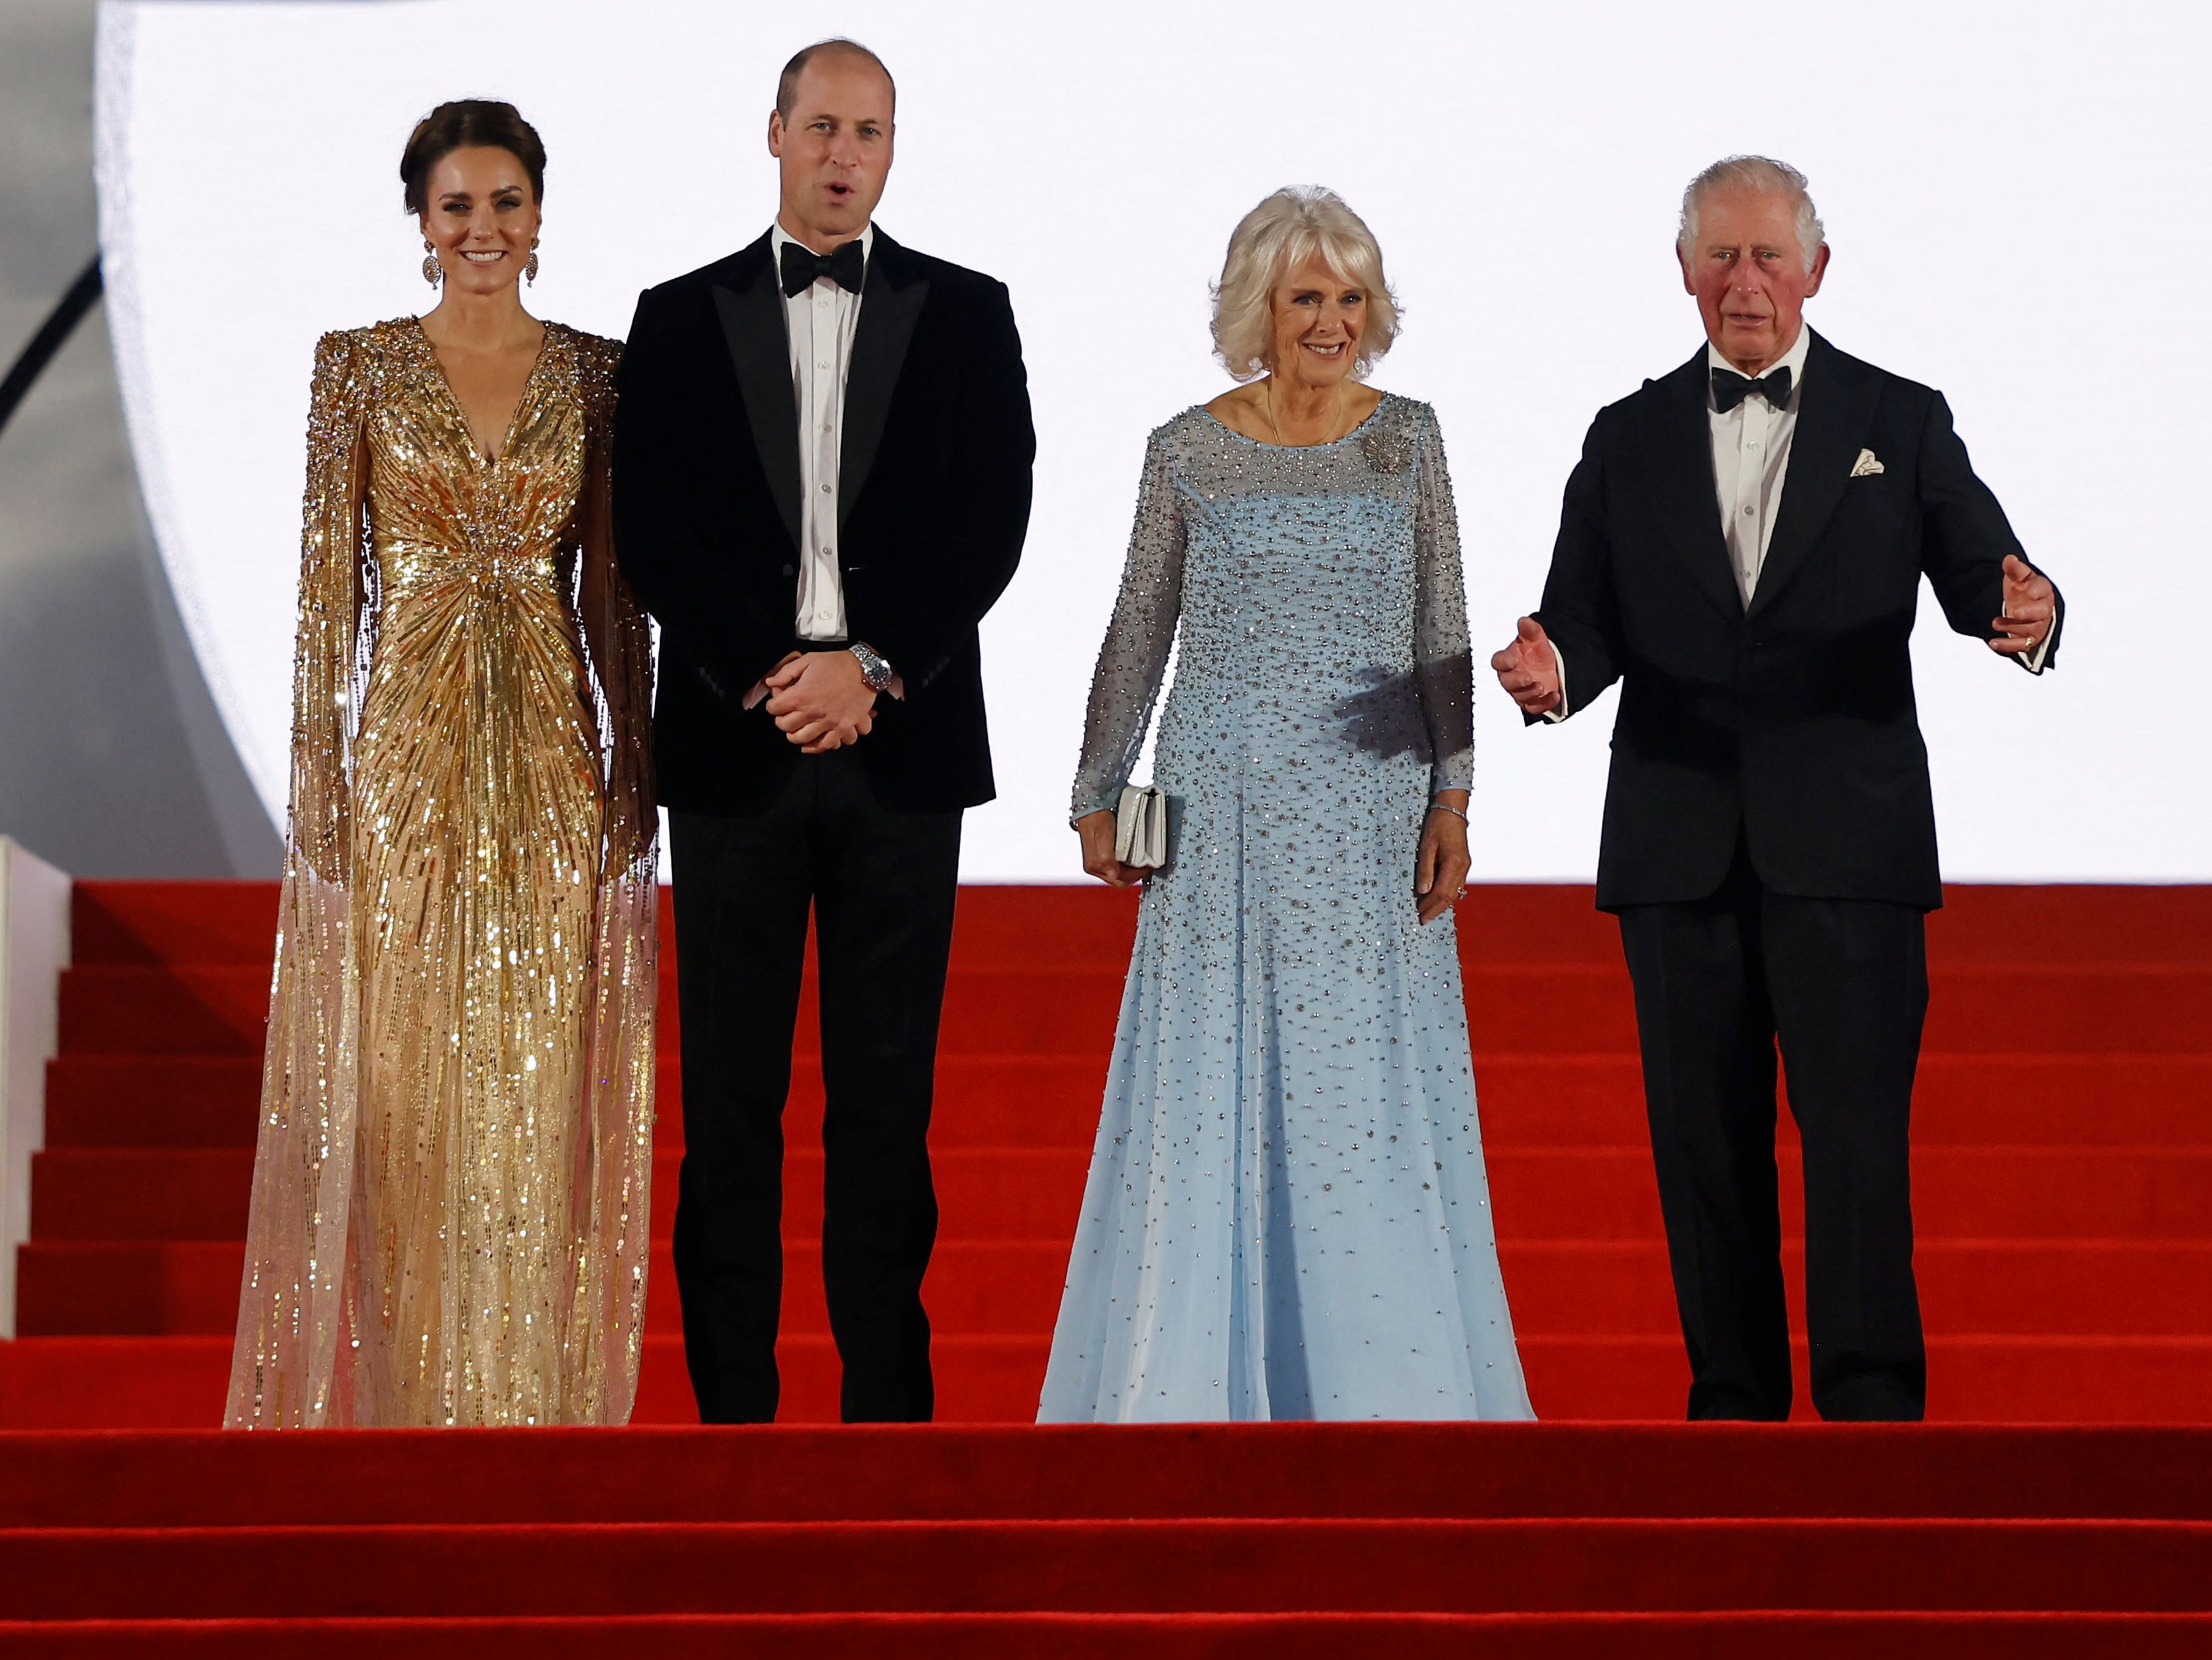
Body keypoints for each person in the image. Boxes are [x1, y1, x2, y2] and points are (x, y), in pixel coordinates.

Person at [1492, 156, 2062, 1422]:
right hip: (1676, 841)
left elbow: (1989, 575)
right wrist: (1549, 672)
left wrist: (2029, 610)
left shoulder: (1901, 419)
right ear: (1685, 270)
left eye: (1767, 256)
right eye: (1720, 257)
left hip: (1848, 844)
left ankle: (1871, 1409)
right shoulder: (1625, 435)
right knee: (1705, 1148)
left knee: (1857, 1141)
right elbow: (1583, 623)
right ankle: (1734, 1404)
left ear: (1816, 269)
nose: (1744, 281)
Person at [1040, 187, 1532, 1423]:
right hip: (1218, 816)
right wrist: (1098, 789)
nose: (1330, 320)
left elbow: (1444, 631)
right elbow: (1139, 626)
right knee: (1210, 1084)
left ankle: (1383, 1393)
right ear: (1258, 304)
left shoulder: (1407, 440)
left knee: (1365, 1099)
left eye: (1350, 297)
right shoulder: (1185, 451)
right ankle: (1193, 1387)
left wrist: (1453, 798)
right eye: (1307, 296)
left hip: (1369, 821)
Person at [612, 39, 1033, 1424]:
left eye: (873, 132)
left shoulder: (969, 311)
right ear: (776, 133)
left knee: (885, 1108)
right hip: (737, 754)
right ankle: (731, 1418)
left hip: (902, 753)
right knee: (727, 1106)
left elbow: (992, 519)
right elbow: (652, 530)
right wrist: (771, 671)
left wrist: (873, 664)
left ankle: (887, 1419)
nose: (847, 153)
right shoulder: (677, 316)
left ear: (892, 148)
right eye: (826, 127)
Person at [227, 100, 658, 1428]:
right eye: (459, 205)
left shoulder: (599, 371)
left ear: (541, 217)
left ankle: (536, 1407)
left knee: (532, 1081)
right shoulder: (352, 367)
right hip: (405, 752)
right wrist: (321, 791)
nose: (484, 229)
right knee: (407, 1086)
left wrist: (634, 766)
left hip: (547, 745)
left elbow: (612, 593)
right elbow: (324, 605)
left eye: (507, 203)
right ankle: (414, 1408)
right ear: (420, 220)